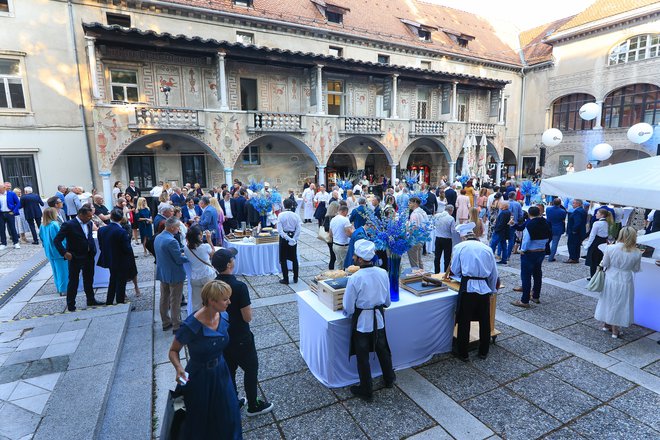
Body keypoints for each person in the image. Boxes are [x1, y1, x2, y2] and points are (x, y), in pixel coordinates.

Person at [168, 280, 242, 439]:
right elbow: (173, 351)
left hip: (221, 372)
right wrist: (179, 368)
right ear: (211, 301)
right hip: (199, 376)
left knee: (230, 411)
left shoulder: (224, 315)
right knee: (201, 418)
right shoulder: (191, 325)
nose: (229, 302)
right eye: (225, 299)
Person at [212, 249, 274, 416]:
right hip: (240, 335)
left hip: (223, 336)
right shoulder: (239, 286)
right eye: (233, 258)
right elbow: (247, 317)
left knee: (230, 370)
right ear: (229, 264)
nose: (234, 259)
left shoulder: (213, 285)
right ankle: (253, 405)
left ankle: (234, 401)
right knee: (251, 369)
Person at [342, 239, 396, 401]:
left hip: (362, 322)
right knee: (382, 349)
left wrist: (349, 313)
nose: (352, 258)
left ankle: (366, 389)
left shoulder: (355, 278)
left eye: (355, 256)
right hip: (378, 318)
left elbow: (348, 307)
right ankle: (389, 379)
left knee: (362, 356)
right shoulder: (383, 273)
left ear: (359, 259)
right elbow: (387, 301)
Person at [449, 222, 498, 361]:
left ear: (463, 236)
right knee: (484, 320)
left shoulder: (459, 247)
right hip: (484, 286)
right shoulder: (486, 248)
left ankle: (463, 353)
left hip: (468, 285)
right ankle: (484, 351)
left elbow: (455, 269)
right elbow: (494, 273)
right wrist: (492, 289)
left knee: (464, 320)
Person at [594, 227, 642, 339]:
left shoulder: (610, 248)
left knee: (609, 299)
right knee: (621, 303)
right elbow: (636, 269)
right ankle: (615, 329)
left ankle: (607, 324)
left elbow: (605, 263)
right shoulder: (637, 252)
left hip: (611, 277)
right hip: (626, 279)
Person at [53, 205, 103, 311]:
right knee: (73, 281)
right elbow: (57, 240)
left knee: (89, 279)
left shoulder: (89, 223)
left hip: (89, 255)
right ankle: (71, 304)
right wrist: (64, 253)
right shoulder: (69, 224)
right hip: (75, 256)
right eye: (89, 216)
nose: (90, 218)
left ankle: (91, 299)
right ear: (81, 215)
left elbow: (88, 236)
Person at [511, 206, 551, 308]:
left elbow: (526, 239)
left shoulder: (530, 224)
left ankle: (524, 300)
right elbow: (549, 236)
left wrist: (522, 250)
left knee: (526, 275)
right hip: (541, 251)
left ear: (529, 214)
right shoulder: (545, 222)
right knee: (537, 274)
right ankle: (535, 296)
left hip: (530, 252)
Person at [155, 217, 189, 333]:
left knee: (164, 298)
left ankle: (165, 322)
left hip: (163, 272)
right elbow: (179, 260)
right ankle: (176, 324)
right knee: (175, 299)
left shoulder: (158, 237)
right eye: (178, 227)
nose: (179, 229)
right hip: (174, 274)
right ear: (172, 227)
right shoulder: (172, 240)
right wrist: (190, 258)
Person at [98, 208, 134, 305]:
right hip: (121, 260)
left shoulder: (102, 230)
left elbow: (101, 246)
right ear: (121, 218)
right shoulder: (121, 231)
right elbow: (126, 248)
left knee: (113, 279)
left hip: (109, 258)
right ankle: (120, 301)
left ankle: (109, 300)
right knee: (121, 282)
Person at [184, 226, 216, 312]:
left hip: (195, 277)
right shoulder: (205, 247)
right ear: (198, 236)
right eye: (201, 235)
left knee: (197, 303)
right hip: (208, 275)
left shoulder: (186, 249)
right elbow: (213, 253)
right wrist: (209, 240)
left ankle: (198, 320)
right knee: (212, 299)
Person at [39, 208, 69, 295]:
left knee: (55, 271)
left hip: (49, 251)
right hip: (58, 251)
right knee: (63, 271)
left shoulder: (42, 225)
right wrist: (65, 248)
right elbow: (59, 239)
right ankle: (64, 289)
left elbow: (41, 238)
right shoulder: (54, 225)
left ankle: (59, 287)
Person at [277, 198, 301, 284]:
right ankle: (295, 278)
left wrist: (287, 238)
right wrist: (293, 239)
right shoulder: (296, 215)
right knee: (294, 258)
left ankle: (286, 279)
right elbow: (298, 229)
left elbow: (280, 230)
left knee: (283, 259)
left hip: (284, 238)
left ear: (284, 205)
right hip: (293, 236)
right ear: (292, 206)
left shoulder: (281, 215)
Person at [584, 208, 612, 278]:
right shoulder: (608, 223)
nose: (596, 214)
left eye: (598, 213)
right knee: (601, 260)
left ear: (602, 215)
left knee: (593, 262)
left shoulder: (597, 223)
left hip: (596, 243)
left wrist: (587, 246)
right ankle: (600, 277)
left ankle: (593, 277)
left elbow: (592, 236)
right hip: (604, 242)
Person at [329, 205, 353, 270]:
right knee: (347, 265)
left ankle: (339, 278)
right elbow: (348, 233)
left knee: (339, 264)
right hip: (343, 245)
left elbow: (330, 234)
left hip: (335, 244)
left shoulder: (333, 219)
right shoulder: (345, 220)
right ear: (345, 212)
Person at [433, 204, 455, 274]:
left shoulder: (436, 216)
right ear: (451, 211)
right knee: (447, 258)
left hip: (438, 238)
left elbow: (433, 225)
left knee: (437, 257)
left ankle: (436, 272)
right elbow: (452, 231)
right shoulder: (451, 218)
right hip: (447, 239)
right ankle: (446, 273)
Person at [408, 197, 428, 270]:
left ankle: (417, 278)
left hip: (414, 239)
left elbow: (413, 227)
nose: (409, 205)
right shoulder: (423, 212)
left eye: (410, 203)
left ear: (415, 203)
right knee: (419, 260)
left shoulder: (415, 214)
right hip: (421, 239)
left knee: (414, 262)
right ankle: (422, 276)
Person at [566, 199, 587, 263]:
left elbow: (577, 222)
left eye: (574, 203)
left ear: (578, 204)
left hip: (575, 232)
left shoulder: (578, 211)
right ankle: (576, 257)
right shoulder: (582, 210)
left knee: (572, 244)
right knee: (577, 245)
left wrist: (574, 230)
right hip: (580, 231)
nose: (572, 204)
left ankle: (572, 258)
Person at [546, 198, 567, 262]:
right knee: (554, 243)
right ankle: (551, 257)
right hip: (557, 228)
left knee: (547, 242)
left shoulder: (548, 209)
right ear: (560, 203)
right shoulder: (562, 211)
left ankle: (545, 254)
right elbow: (563, 219)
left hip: (548, 227)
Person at [0, 184, 20, 250]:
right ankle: (3, 243)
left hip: (9, 213)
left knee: (12, 228)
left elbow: (18, 203)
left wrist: (14, 211)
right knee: (1, 229)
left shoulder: (11, 194)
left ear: (4, 188)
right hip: (1, 214)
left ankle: (16, 242)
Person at [323, 202, 339, 270]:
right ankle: (331, 270)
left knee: (335, 256)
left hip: (334, 238)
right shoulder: (328, 217)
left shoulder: (334, 217)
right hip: (332, 239)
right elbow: (326, 228)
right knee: (333, 256)